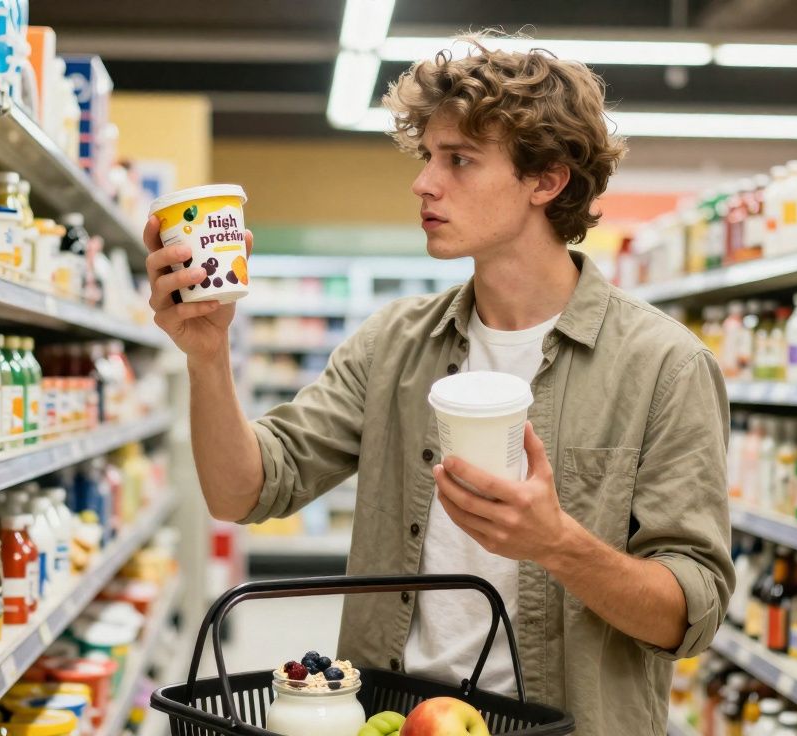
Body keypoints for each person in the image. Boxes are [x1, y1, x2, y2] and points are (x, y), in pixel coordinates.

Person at [142, 35, 734, 736]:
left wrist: (557, 543)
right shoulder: (393, 344)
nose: (424, 183)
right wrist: (208, 357)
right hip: (394, 721)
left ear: (546, 180)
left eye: (459, 160)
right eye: (428, 157)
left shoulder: (663, 366)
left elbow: (687, 613)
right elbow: (242, 490)